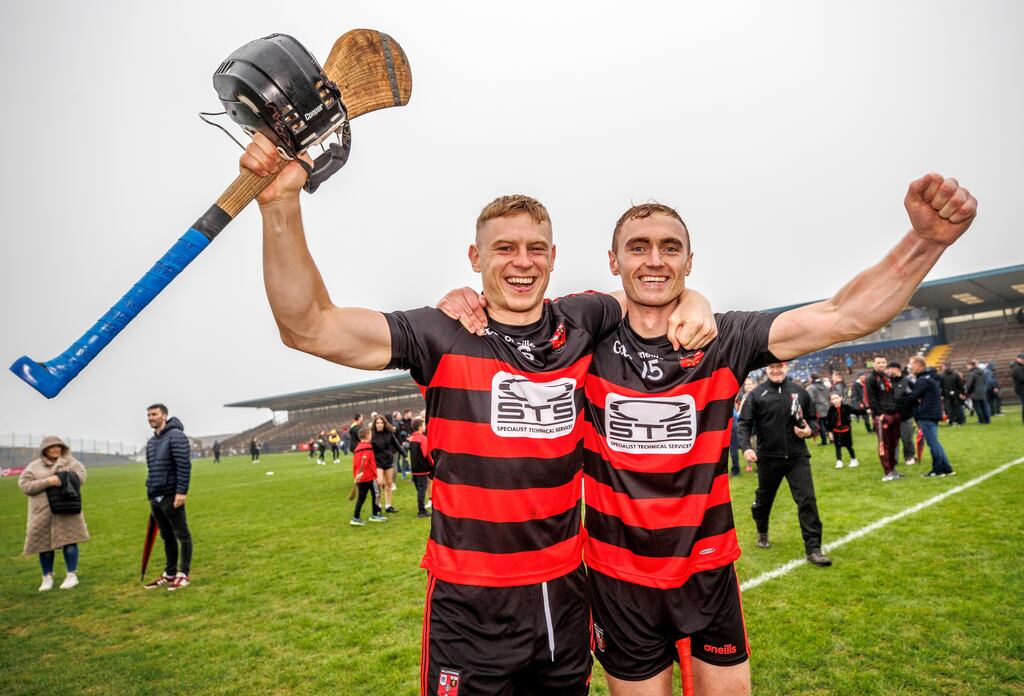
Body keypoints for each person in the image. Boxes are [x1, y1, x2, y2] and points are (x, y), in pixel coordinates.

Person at [444, 175, 977, 696]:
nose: (655, 260)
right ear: (614, 262)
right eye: (638, 247)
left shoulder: (726, 338)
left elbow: (844, 316)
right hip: (618, 579)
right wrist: (465, 302)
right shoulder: (580, 341)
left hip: (708, 569)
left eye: (670, 248)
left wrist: (925, 241)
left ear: (688, 262)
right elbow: (514, 308)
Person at [241, 132, 717, 696]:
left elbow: (652, 291)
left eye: (536, 248)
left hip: (565, 593)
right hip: (471, 603)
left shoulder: (584, 318)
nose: (522, 262)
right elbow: (310, 325)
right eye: (504, 248)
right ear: (475, 258)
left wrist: (697, 301)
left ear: (553, 258)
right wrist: (279, 206)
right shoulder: (439, 331)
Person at [739, 362, 829, 565]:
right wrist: (747, 447)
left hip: (797, 457)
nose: (776, 370)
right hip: (768, 459)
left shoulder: (799, 392)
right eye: (772, 366)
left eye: (780, 365)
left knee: (807, 500)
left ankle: (814, 549)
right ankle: (762, 531)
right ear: (766, 369)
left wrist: (810, 431)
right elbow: (744, 423)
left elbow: (814, 419)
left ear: (786, 367)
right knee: (764, 500)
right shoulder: (756, 394)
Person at [18, 436, 89, 591]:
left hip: (67, 509)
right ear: (45, 450)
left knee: (70, 541)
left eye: (58, 446)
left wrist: (64, 479)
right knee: (44, 546)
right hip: (42, 512)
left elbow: (81, 475)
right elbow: (24, 485)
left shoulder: (72, 462)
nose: (56, 449)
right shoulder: (34, 467)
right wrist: (47, 482)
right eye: (52, 447)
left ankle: (71, 574)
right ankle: (47, 577)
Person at [142, 404, 193, 591]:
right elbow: (151, 469)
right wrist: (150, 491)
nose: (150, 418)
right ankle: (170, 573)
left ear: (164, 415)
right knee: (166, 535)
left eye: (154, 414)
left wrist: (181, 492)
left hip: (171, 494)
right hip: (155, 496)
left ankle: (183, 574)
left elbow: (184, 466)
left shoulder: (176, 436)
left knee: (182, 534)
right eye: (148, 415)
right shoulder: (151, 442)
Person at [905, 356, 955, 477]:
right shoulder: (929, 377)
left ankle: (937, 470)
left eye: (911, 364)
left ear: (918, 365)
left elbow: (913, 397)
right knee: (935, 443)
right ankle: (947, 468)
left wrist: (902, 400)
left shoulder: (923, 380)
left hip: (926, 414)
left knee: (933, 444)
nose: (910, 367)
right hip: (932, 413)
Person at [865, 356, 903, 481]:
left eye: (883, 362)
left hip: (893, 414)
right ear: (874, 364)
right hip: (882, 416)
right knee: (884, 444)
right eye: (878, 362)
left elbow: (891, 395)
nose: (881, 364)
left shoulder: (887, 377)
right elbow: (871, 399)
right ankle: (887, 472)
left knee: (893, 443)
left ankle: (893, 469)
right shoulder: (871, 379)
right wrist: (880, 414)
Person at [351, 426, 385, 525]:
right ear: (368, 435)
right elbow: (368, 463)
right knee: (376, 495)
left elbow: (355, 464)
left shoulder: (357, 449)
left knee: (361, 498)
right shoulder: (368, 448)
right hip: (369, 477)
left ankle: (355, 517)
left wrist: (356, 476)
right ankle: (375, 514)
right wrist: (376, 475)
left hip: (360, 478)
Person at [370, 415, 404, 513]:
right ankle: (378, 505)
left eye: (381, 423)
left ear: (384, 424)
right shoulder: (372, 435)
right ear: (375, 424)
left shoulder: (389, 433)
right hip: (377, 462)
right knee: (379, 483)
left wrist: (403, 453)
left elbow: (396, 444)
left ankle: (388, 506)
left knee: (389, 483)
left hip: (388, 460)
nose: (379, 425)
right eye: (377, 423)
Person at [891, 361, 919, 467]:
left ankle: (909, 457)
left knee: (907, 438)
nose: (888, 371)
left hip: (906, 415)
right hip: (892, 416)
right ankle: (893, 459)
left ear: (896, 369)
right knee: (893, 440)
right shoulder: (888, 382)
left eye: (890, 368)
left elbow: (915, 395)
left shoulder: (907, 381)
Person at [408, 418, 435, 517]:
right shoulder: (423, 439)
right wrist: (432, 463)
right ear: (420, 427)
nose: (425, 427)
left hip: (414, 469)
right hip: (422, 469)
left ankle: (421, 508)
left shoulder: (412, 438)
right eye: (424, 425)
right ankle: (421, 511)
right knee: (422, 491)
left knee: (419, 490)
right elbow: (426, 454)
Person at [826, 392, 859, 469]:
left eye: (837, 398)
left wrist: (866, 411)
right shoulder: (830, 410)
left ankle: (854, 459)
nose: (835, 400)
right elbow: (828, 421)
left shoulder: (846, 407)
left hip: (846, 430)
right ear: (831, 401)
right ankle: (839, 461)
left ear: (840, 398)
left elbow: (856, 411)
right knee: (837, 446)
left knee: (849, 446)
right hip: (836, 431)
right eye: (833, 399)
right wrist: (829, 432)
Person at [806, 373, 831, 445]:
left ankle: (824, 441)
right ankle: (831, 439)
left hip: (818, 409)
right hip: (826, 407)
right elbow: (828, 397)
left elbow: (811, 400)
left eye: (809, 378)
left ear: (812, 378)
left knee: (820, 425)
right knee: (827, 425)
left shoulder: (811, 387)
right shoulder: (825, 386)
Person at [939, 362, 966, 426]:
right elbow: (960, 385)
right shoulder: (956, 375)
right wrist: (962, 393)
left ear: (945, 367)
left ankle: (952, 421)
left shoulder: (941, 376)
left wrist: (941, 395)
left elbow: (940, 386)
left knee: (949, 409)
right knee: (958, 407)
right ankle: (960, 421)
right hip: (956, 394)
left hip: (946, 395)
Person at [1013, 353, 1024, 424]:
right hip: (1021, 389)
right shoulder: (1017, 368)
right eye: (1022, 359)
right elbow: (1022, 379)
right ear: (1018, 359)